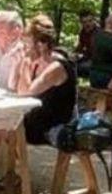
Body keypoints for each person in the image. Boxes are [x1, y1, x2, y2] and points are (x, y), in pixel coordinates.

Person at [14, 14, 77, 145]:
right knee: (0, 124)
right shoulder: (39, 62)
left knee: (4, 129)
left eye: (27, 44)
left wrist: (25, 62)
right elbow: (16, 87)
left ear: (42, 44)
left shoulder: (56, 66)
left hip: (51, 126)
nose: (25, 49)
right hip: (38, 119)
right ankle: (19, 165)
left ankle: (20, 165)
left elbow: (24, 92)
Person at [75, 10, 99, 76]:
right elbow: (80, 46)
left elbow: (95, 52)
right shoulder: (83, 32)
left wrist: (83, 55)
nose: (88, 24)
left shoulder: (99, 33)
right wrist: (75, 54)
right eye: (84, 22)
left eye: (90, 21)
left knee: (75, 68)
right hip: (88, 59)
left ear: (94, 20)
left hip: (98, 63)